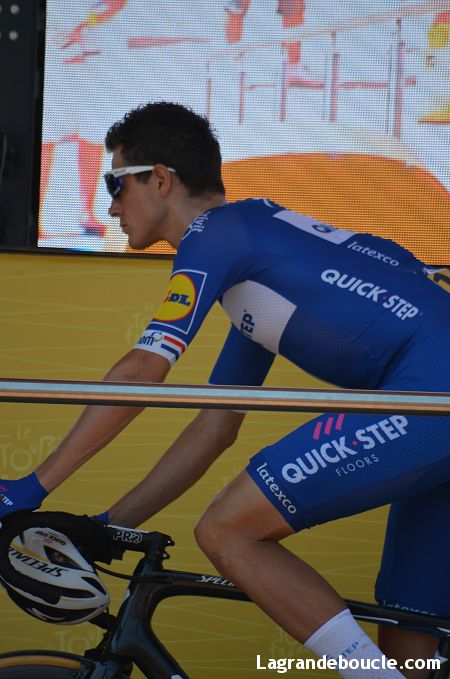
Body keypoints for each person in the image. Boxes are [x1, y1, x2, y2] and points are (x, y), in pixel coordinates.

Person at [1, 102, 450, 679]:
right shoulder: (255, 263)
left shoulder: (217, 233)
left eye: (116, 184)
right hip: (430, 402)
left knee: (227, 529)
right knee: (411, 646)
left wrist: (30, 486)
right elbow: (215, 427)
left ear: (159, 179)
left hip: (432, 391)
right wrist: (111, 525)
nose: (109, 206)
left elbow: (142, 372)